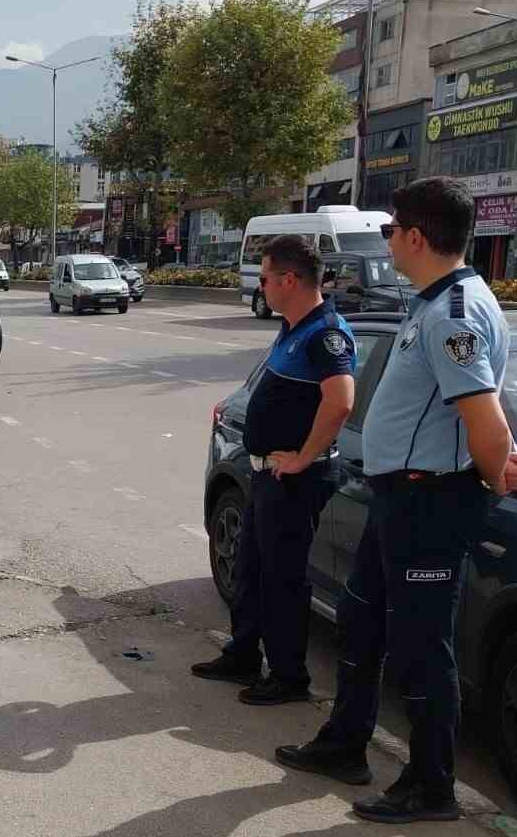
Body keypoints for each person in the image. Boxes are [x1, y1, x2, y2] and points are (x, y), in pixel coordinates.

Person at [274, 177, 517, 824]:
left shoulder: (454, 315)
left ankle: (430, 783)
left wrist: (497, 469)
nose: (387, 237)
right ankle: (345, 743)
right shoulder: (436, 302)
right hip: (398, 497)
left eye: (392, 228)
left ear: (416, 237)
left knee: (422, 646)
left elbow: (487, 419)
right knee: (361, 622)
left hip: (428, 505)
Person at [190, 235, 356, 707]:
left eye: (262, 277)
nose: (259, 286)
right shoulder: (294, 327)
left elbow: (341, 400)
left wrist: (303, 456)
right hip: (266, 474)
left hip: (295, 479)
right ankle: (243, 654)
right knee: (250, 569)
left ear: (288, 279)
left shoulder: (326, 331)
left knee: (283, 581)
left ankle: (288, 676)